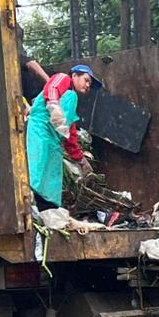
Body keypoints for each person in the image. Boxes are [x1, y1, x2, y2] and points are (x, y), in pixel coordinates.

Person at [26, 65, 97, 210]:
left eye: (90, 83)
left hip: (54, 142)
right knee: (37, 170)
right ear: (74, 76)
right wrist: (53, 105)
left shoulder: (71, 101)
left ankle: (47, 211)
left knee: (52, 179)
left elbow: (70, 137)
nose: (88, 85)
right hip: (41, 131)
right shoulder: (63, 78)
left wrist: (81, 161)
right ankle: (29, 206)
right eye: (86, 80)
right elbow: (52, 88)